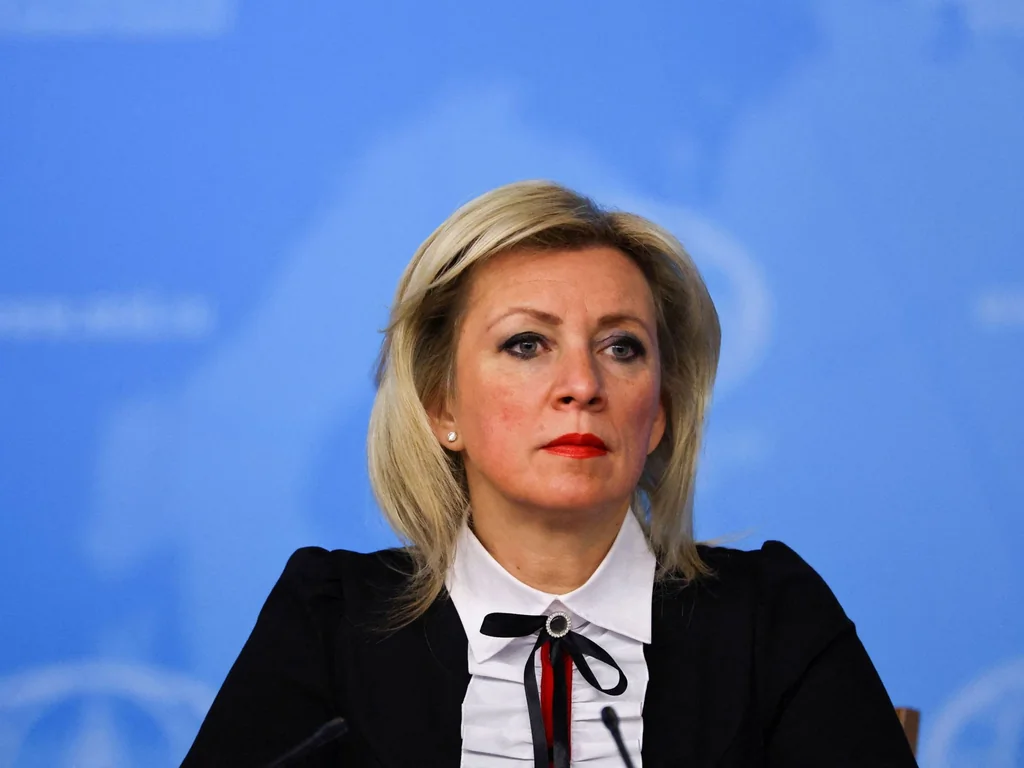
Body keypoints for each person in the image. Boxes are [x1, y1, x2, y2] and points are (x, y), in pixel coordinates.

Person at [182, 181, 918, 767]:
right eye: (528, 344)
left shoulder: (772, 617)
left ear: (658, 412)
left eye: (622, 348)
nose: (582, 386)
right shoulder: (331, 618)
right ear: (443, 405)